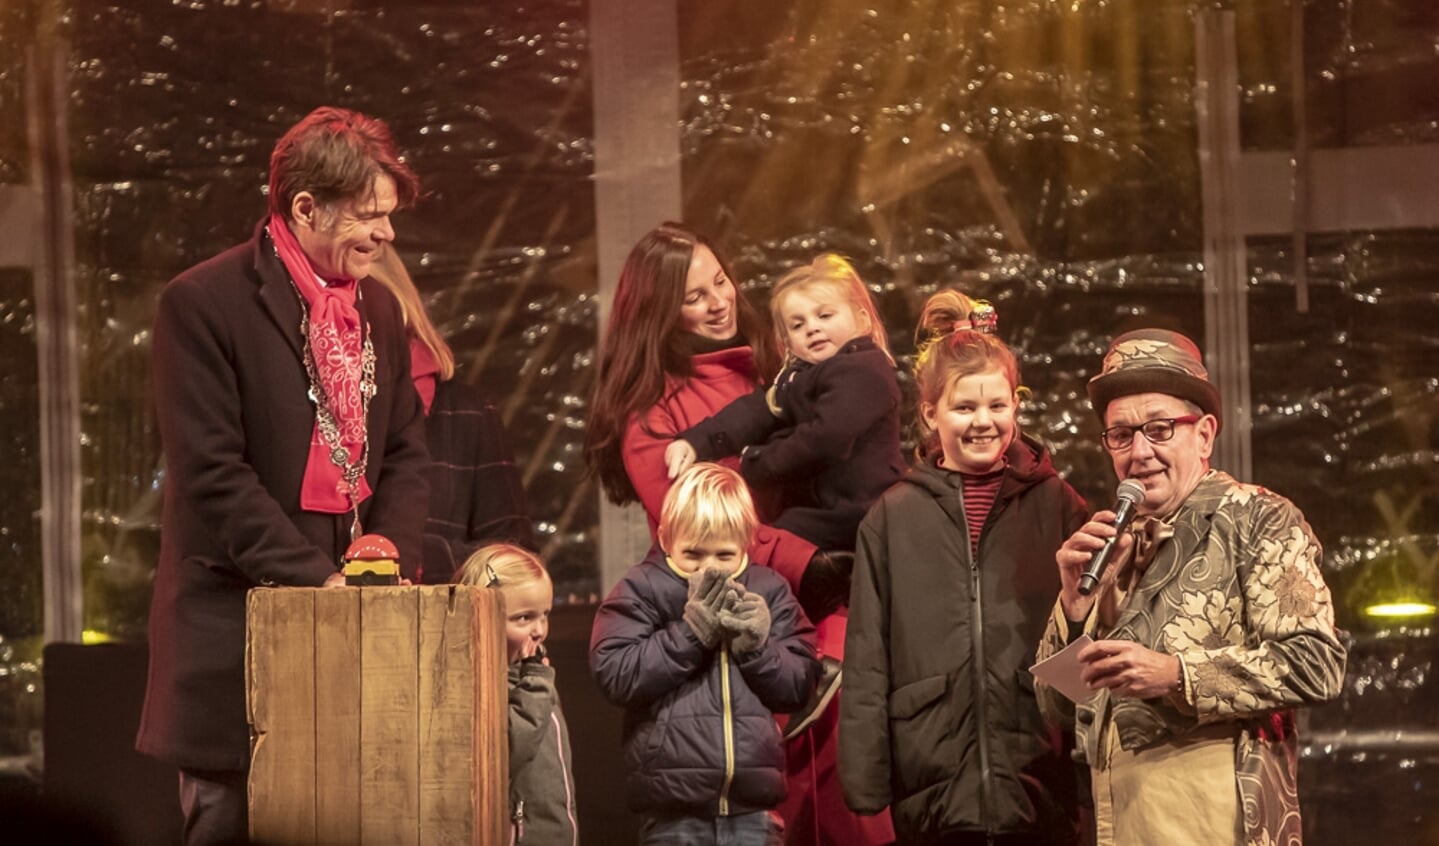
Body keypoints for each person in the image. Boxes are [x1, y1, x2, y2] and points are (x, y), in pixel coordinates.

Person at [135, 106, 431, 845]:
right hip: (238, 634)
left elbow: (404, 455)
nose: (386, 235)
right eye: (368, 216)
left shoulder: (383, 313)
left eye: (388, 217)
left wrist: (382, 557)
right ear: (304, 207)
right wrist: (317, 582)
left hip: (354, 638)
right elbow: (211, 473)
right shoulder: (202, 303)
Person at [582, 223, 892, 845]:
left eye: (720, 281)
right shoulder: (654, 412)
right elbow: (700, 523)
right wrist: (808, 560)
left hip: (825, 597)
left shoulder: (780, 365)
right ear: (658, 313)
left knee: (847, 789)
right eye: (694, 297)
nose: (719, 301)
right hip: (748, 607)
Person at [1035, 327, 1347, 846]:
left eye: (1159, 429)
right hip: (1122, 824)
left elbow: (1317, 663)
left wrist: (1177, 674)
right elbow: (1058, 709)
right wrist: (1071, 610)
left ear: (1203, 435)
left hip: (1222, 827)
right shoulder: (1113, 543)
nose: (1139, 451)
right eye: (1121, 434)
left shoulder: (1258, 519)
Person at [840, 292, 1090, 846]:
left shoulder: (1059, 506)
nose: (984, 422)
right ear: (931, 413)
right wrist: (864, 782)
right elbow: (866, 657)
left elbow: (1091, 631)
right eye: (964, 408)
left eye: (998, 407)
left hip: (1038, 777)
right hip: (933, 786)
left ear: (1016, 407)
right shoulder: (892, 518)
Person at [589, 463, 819, 845]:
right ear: (665, 539)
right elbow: (615, 672)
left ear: (746, 543)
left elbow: (799, 683)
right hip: (673, 810)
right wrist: (692, 634)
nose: (710, 569)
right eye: (693, 554)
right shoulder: (643, 588)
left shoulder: (769, 589)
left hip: (753, 807)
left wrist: (758, 649)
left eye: (724, 556)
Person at [663, 252, 905, 557]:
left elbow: (826, 438)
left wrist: (757, 463)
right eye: (798, 324)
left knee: (770, 546)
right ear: (787, 343)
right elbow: (757, 410)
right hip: (827, 508)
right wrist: (698, 441)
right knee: (768, 539)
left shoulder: (863, 370)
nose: (812, 328)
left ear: (861, 320)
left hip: (862, 507)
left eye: (825, 315)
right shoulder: (797, 376)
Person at [369, 245, 537, 583]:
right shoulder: (304, 405)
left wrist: (417, 556)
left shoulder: (466, 413)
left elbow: (514, 561)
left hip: (442, 627)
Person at [457, 543, 578, 845]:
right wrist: (535, 683)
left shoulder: (534, 674)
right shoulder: (483, 683)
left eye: (545, 615)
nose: (539, 630)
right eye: (523, 618)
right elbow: (509, 752)